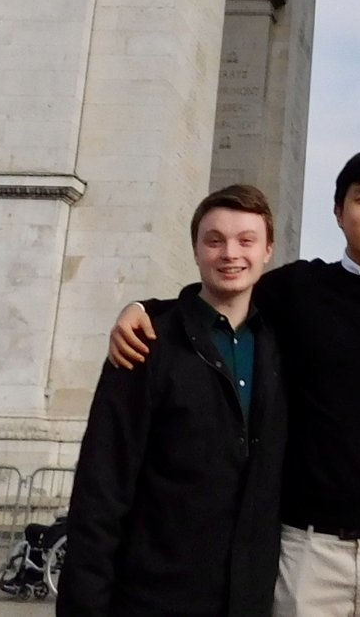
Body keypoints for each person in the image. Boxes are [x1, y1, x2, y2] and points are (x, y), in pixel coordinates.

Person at [111, 147, 360, 617]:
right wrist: (144, 309)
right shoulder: (296, 289)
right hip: (309, 552)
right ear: (338, 212)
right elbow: (220, 299)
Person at [60, 183, 287, 617]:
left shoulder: (282, 346)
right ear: (196, 249)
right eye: (214, 240)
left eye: (246, 241)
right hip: (153, 597)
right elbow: (101, 487)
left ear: (268, 251)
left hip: (247, 599)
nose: (230, 254)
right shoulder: (144, 343)